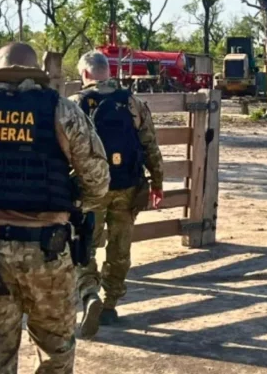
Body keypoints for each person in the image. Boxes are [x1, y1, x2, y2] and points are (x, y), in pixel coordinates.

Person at [0, 42, 110, 373]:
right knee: (55, 352)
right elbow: (98, 181)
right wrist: (69, 203)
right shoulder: (61, 110)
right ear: (35, 74)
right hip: (47, 252)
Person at [71, 51, 164, 338]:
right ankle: (110, 305)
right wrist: (157, 182)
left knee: (83, 244)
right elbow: (150, 145)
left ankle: (89, 294)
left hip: (91, 189)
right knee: (120, 246)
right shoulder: (132, 102)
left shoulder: (76, 105)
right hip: (128, 185)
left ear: (85, 74)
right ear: (108, 72)